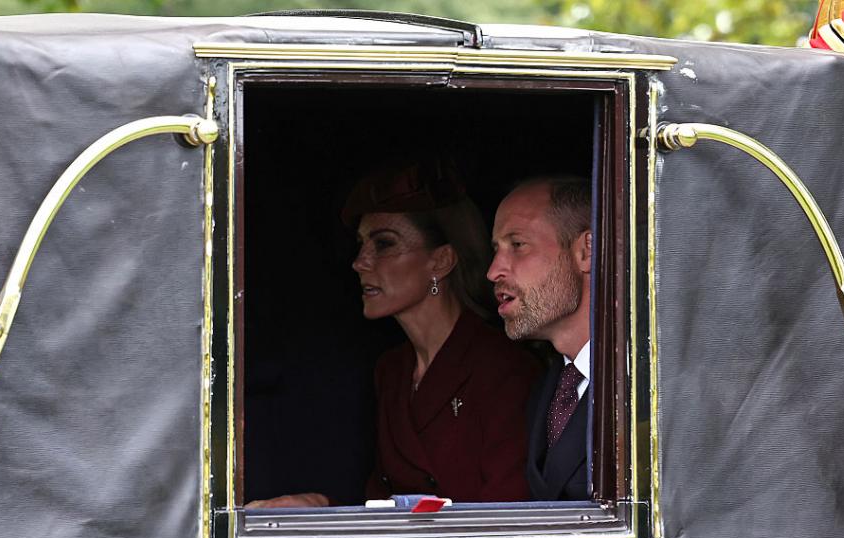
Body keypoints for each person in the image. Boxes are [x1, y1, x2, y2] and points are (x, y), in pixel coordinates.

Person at [247, 158, 538, 507]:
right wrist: (322, 508)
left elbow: (506, 515)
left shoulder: (504, 369)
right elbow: (387, 502)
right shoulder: (392, 370)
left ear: (441, 261)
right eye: (361, 244)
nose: (360, 262)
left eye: (384, 244)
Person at [488, 176, 592, 501]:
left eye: (518, 245)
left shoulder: (650, 389)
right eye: (496, 250)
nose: (493, 271)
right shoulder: (550, 389)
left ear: (587, 251)